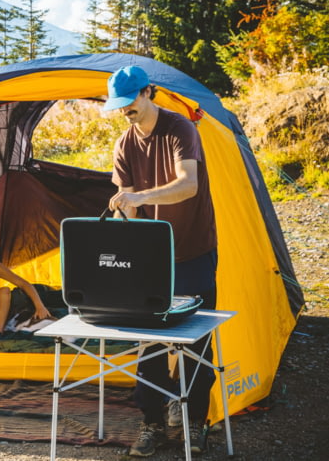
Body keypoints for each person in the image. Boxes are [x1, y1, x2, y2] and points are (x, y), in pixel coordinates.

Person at [103, 65, 219, 457]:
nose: (125, 111)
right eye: (118, 106)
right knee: (149, 344)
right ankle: (152, 422)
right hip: (151, 259)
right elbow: (128, 207)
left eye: (130, 102)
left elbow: (188, 185)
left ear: (148, 93)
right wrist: (122, 234)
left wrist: (138, 197)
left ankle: (195, 422)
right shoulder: (124, 145)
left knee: (196, 341)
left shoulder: (181, 129)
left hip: (193, 251)